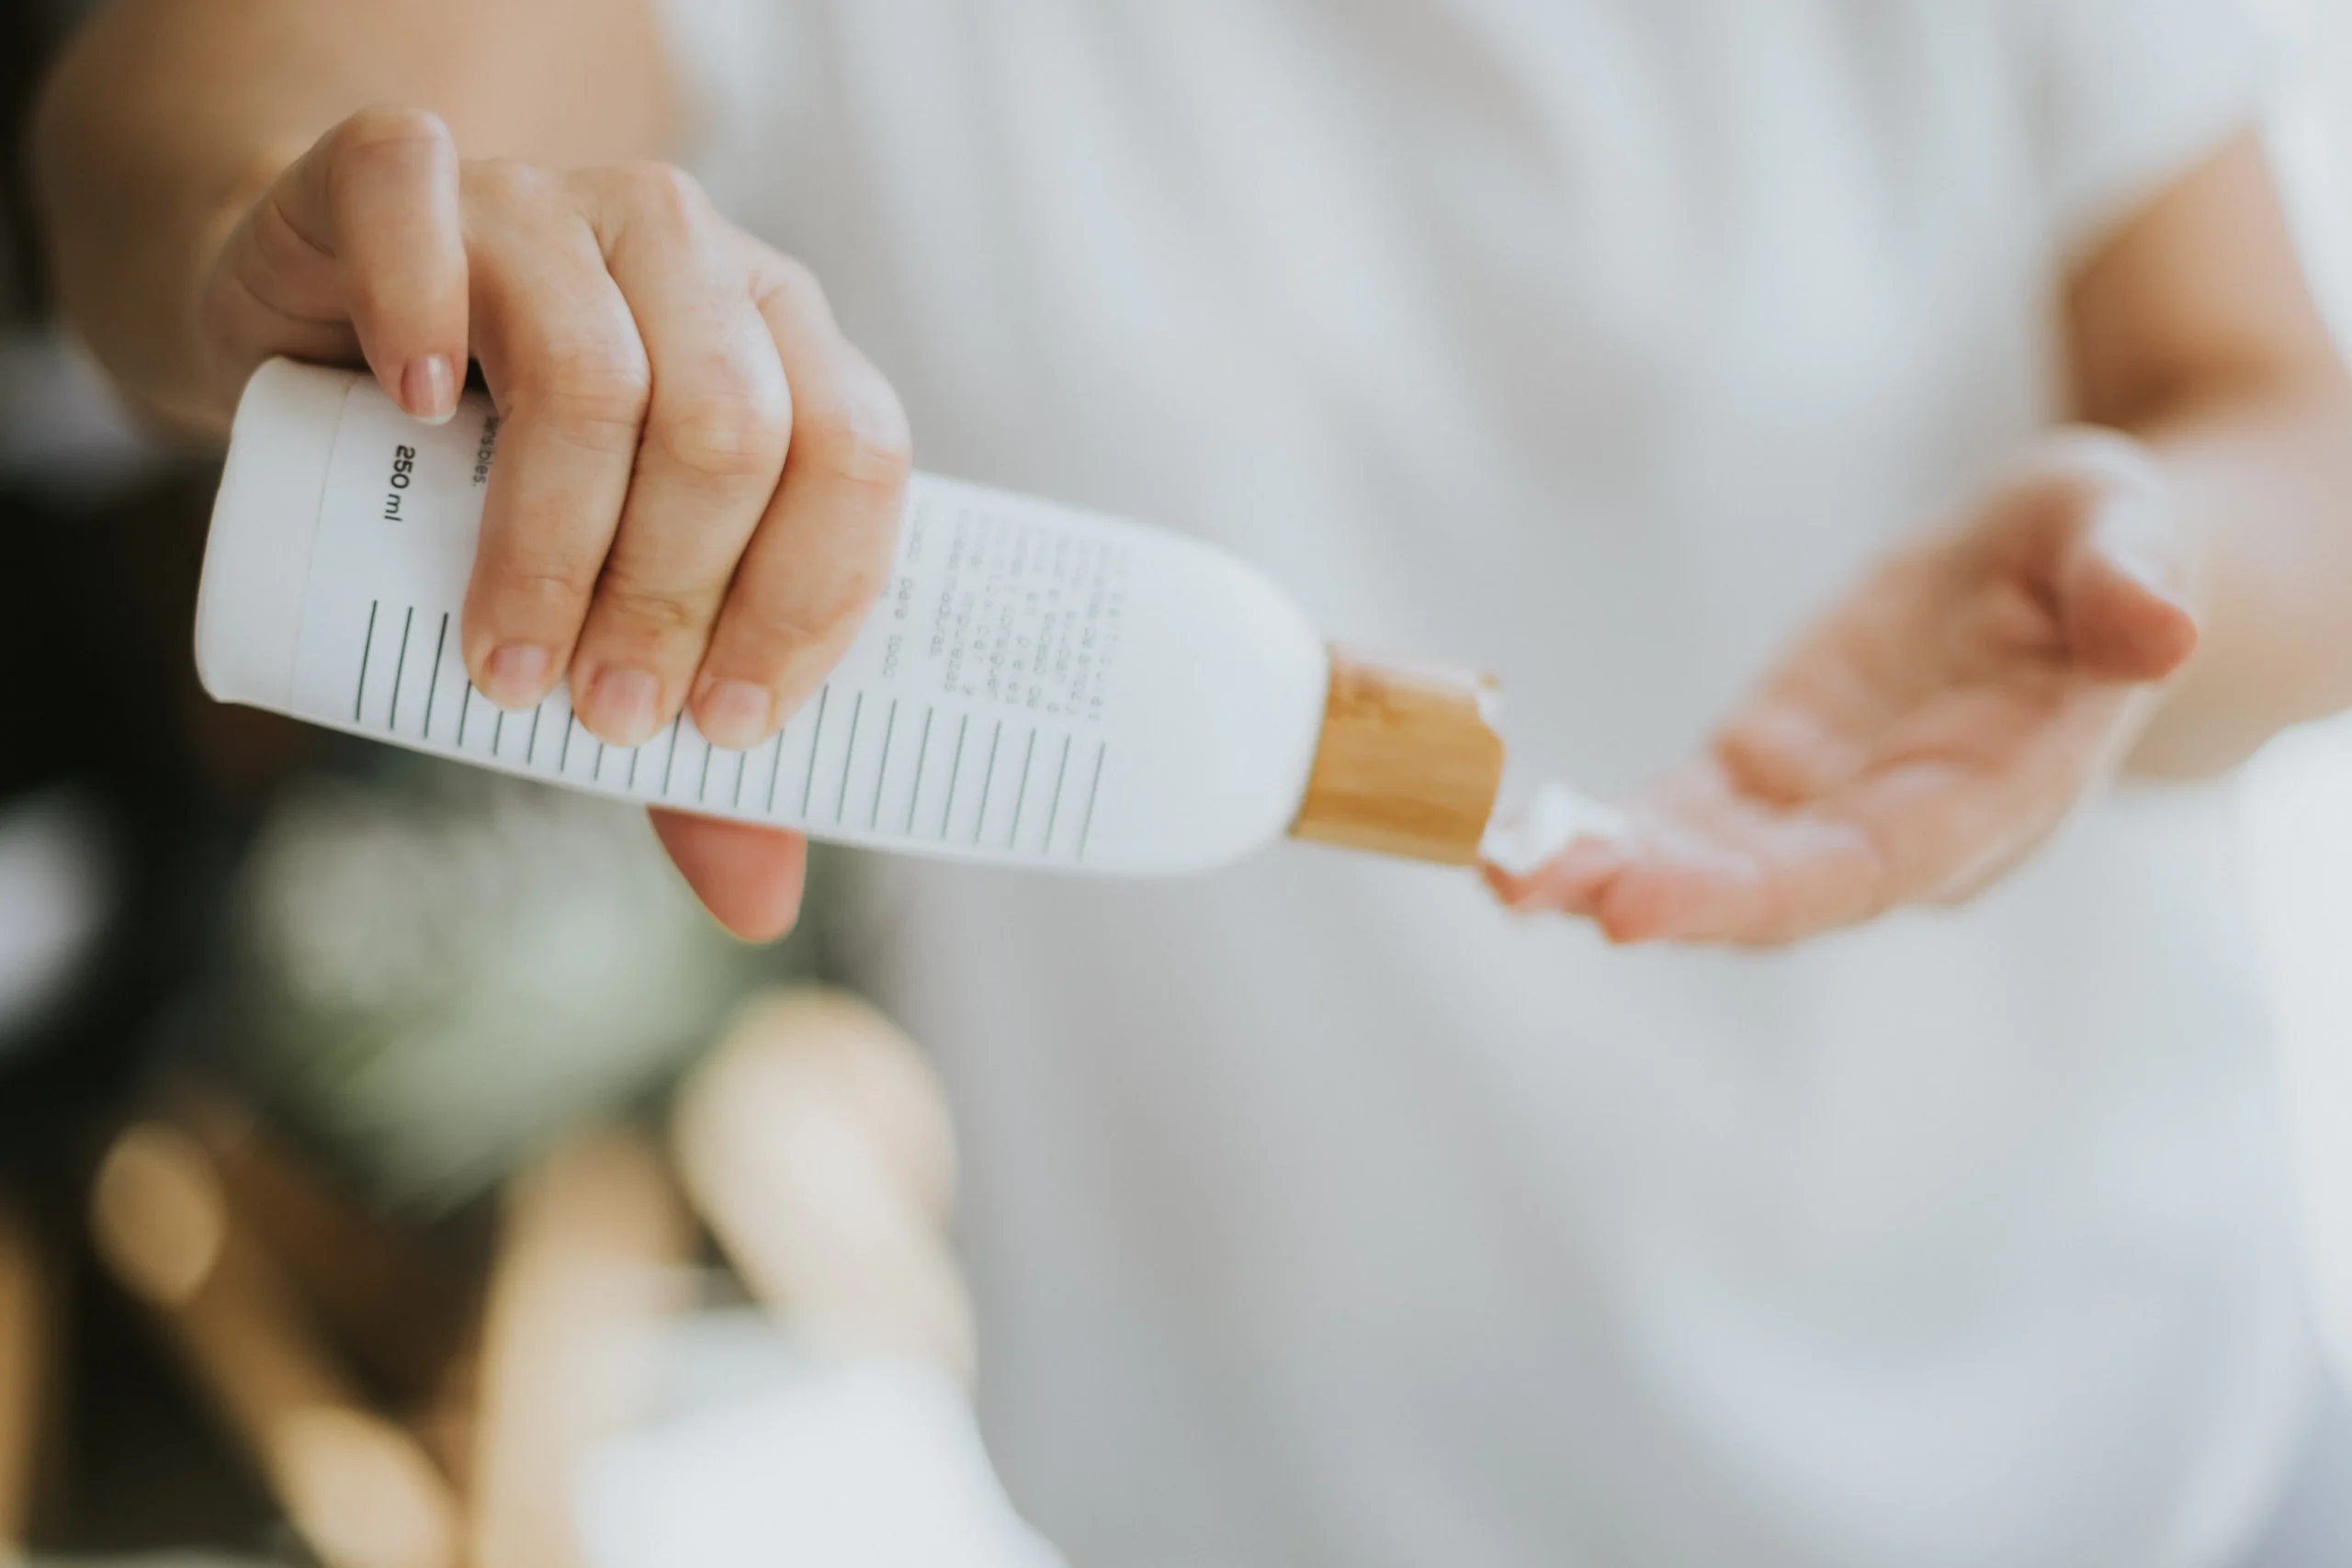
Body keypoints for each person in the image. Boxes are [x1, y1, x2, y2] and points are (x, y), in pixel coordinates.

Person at [31, 0, 2352, 1561]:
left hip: (2128, 1427)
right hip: (1270, 1488)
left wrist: (2145, 600)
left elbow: (2288, 436)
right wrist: (306, 221)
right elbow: (189, 104)